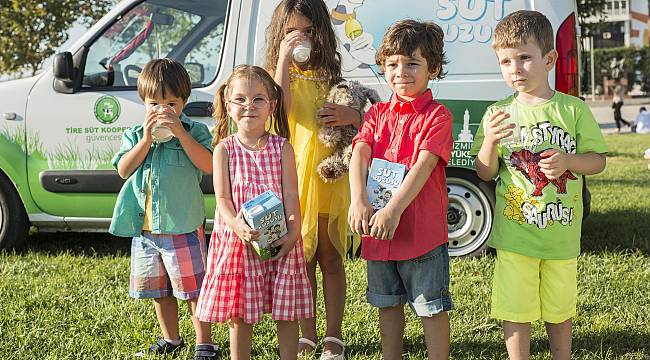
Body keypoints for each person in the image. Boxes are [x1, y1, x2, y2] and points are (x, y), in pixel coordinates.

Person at [470, 11, 608, 360]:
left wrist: (568, 161)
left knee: (560, 309)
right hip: (515, 234)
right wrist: (488, 141)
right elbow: (485, 173)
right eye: (505, 61)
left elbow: (598, 161)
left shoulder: (572, 109)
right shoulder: (496, 113)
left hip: (561, 234)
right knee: (516, 309)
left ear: (549, 59)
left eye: (524, 57)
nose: (514, 68)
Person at [348, 19, 454, 360]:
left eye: (412, 63)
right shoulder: (376, 113)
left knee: (430, 307)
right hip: (378, 233)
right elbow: (359, 154)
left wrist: (393, 210)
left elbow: (423, 166)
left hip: (420, 233)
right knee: (386, 302)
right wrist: (358, 200)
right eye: (392, 64)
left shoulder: (438, 115)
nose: (401, 72)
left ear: (433, 69)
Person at [195, 65, 313, 360]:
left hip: (280, 240)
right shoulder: (224, 149)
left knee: (286, 312)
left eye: (258, 99)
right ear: (228, 105)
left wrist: (294, 230)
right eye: (241, 99)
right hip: (240, 242)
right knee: (241, 313)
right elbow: (222, 197)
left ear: (272, 106)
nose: (250, 105)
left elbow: (289, 195)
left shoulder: (282, 147)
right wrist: (237, 226)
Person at [265, 1, 362, 358]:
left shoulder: (330, 76)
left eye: (308, 31)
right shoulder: (277, 76)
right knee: (300, 259)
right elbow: (279, 112)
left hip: (329, 179)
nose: (301, 38)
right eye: (292, 31)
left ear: (320, 32)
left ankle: (333, 335)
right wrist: (283, 60)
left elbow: (361, 120)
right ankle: (307, 333)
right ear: (280, 34)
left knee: (330, 256)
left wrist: (352, 115)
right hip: (294, 179)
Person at [109, 58, 218, 359]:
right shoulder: (135, 135)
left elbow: (208, 165)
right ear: (143, 102)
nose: (162, 111)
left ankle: (204, 343)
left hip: (183, 226)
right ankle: (171, 338)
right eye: (155, 103)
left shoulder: (195, 132)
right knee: (160, 291)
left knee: (193, 290)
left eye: (171, 104)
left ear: (184, 102)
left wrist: (180, 135)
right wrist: (146, 139)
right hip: (145, 231)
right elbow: (123, 169)